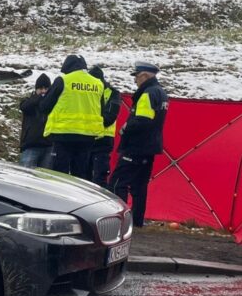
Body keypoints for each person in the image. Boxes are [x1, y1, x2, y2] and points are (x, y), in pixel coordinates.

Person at [109, 61, 168, 227]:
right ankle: (137, 220)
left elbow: (142, 120)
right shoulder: (161, 93)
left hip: (136, 147)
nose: (135, 80)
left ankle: (118, 220)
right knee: (139, 187)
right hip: (150, 147)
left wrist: (125, 128)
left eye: (136, 76)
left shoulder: (148, 93)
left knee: (117, 182)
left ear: (144, 75)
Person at [39, 55, 105, 179]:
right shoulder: (98, 83)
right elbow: (102, 108)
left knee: (59, 174)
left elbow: (45, 106)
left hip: (64, 133)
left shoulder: (64, 80)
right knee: (80, 174)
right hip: (88, 135)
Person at [87, 65, 120, 188]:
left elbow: (110, 117)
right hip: (87, 137)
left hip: (104, 139)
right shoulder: (89, 91)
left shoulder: (112, 93)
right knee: (84, 176)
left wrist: (92, 122)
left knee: (99, 177)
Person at [19, 73, 53, 168]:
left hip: (48, 146)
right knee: (26, 176)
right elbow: (23, 106)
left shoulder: (52, 103)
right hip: (31, 145)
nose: (43, 91)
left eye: (46, 89)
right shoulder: (30, 101)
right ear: (36, 89)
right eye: (40, 89)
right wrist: (38, 99)